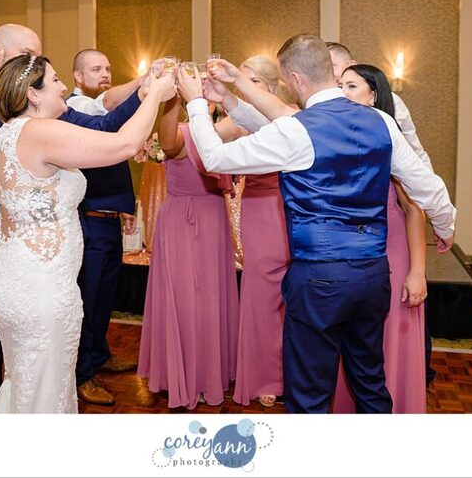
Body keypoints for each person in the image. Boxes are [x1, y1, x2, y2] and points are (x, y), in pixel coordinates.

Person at [177, 34, 455, 413]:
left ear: (296, 80)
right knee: (370, 381)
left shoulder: (297, 130)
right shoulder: (381, 122)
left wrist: (195, 102)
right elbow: (427, 185)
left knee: (309, 393)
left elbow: (215, 158)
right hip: (374, 274)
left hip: (320, 278)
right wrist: (446, 224)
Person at [0, 24, 144, 413]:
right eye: (26, 53)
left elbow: (103, 127)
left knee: (31, 375)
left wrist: (143, 91)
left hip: (43, 266)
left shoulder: (49, 120)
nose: (33, 62)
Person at [0, 54, 175, 413]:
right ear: (33, 94)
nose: (63, 87)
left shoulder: (1, 139)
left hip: (11, 276)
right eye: (55, 81)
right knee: (44, 388)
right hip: (40, 285)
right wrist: (155, 96)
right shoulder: (39, 131)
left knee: (26, 382)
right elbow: (123, 146)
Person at [328, 41, 438, 386]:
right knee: (358, 343)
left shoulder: (388, 140)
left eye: (348, 85)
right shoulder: (337, 138)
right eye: (337, 85)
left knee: (391, 336)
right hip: (354, 256)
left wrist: (418, 272)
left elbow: (414, 208)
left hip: (393, 251)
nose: (340, 92)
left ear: (373, 95)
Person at [137, 74, 241, 410]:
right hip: (180, 220)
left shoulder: (223, 130)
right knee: (182, 297)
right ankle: (179, 375)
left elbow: (240, 125)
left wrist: (220, 97)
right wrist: (173, 97)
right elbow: (168, 145)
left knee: (210, 297)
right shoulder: (180, 131)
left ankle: (210, 373)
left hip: (213, 220)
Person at [205, 56, 295, 408]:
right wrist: (202, 109)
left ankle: (296, 371)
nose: (244, 86)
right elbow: (203, 143)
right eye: (242, 80)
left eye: (253, 81)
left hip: (292, 205)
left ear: (273, 86)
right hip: (258, 206)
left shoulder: (287, 113)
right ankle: (264, 376)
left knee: (295, 297)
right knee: (261, 294)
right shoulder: (238, 115)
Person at [65, 49, 150, 406]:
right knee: (87, 300)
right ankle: (82, 374)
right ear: (77, 77)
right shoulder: (76, 108)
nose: (104, 73)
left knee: (104, 299)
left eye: (108, 68)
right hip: (88, 222)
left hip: (108, 219)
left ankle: (99, 355)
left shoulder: (97, 108)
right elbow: (109, 113)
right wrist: (146, 86)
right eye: (95, 69)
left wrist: (124, 209)